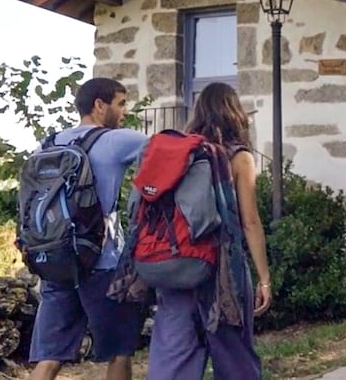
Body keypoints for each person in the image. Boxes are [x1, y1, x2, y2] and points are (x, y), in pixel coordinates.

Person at [113, 82, 272, 380]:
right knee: (235, 357)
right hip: (224, 272)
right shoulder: (239, 156)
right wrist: (264, 279)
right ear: (236, 113)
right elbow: (250, 221)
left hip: (176, 264)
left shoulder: (179, 155)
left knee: (173, 358)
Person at [27, 77, 150, 380]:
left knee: (50, 356)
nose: (124, 112)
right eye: (120, 103)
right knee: (119, 350)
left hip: (55, 258)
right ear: (99, 105)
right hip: (102, 261)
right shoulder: (117, 140)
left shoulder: (49, 143)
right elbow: (167, 153)